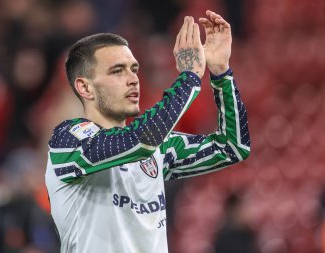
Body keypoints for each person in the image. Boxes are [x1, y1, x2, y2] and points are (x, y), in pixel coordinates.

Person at [45, 10, 250, 253]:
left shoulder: (157, 148)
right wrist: (190, 77)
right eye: (117, 71)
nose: (133, 79)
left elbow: (233, 147)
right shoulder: (68, 142)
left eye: (134, 69)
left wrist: (221, 72)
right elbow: (142, 141)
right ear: (85, 88)